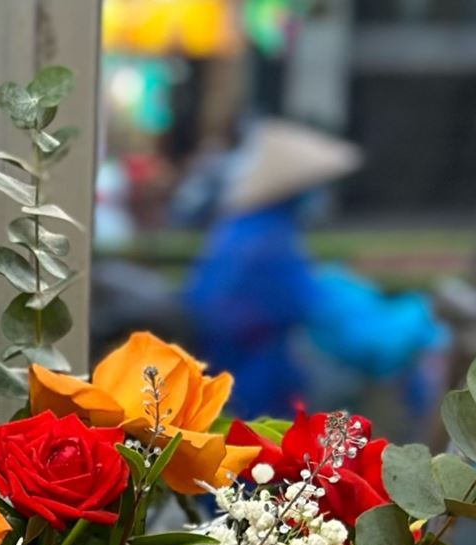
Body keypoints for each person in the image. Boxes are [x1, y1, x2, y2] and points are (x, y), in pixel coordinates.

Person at [184, 118, 441, 420]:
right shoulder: (269, 241)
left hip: (237, 367)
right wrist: (415, 315)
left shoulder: (248, 229)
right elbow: (312, 306)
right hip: (252, 379)